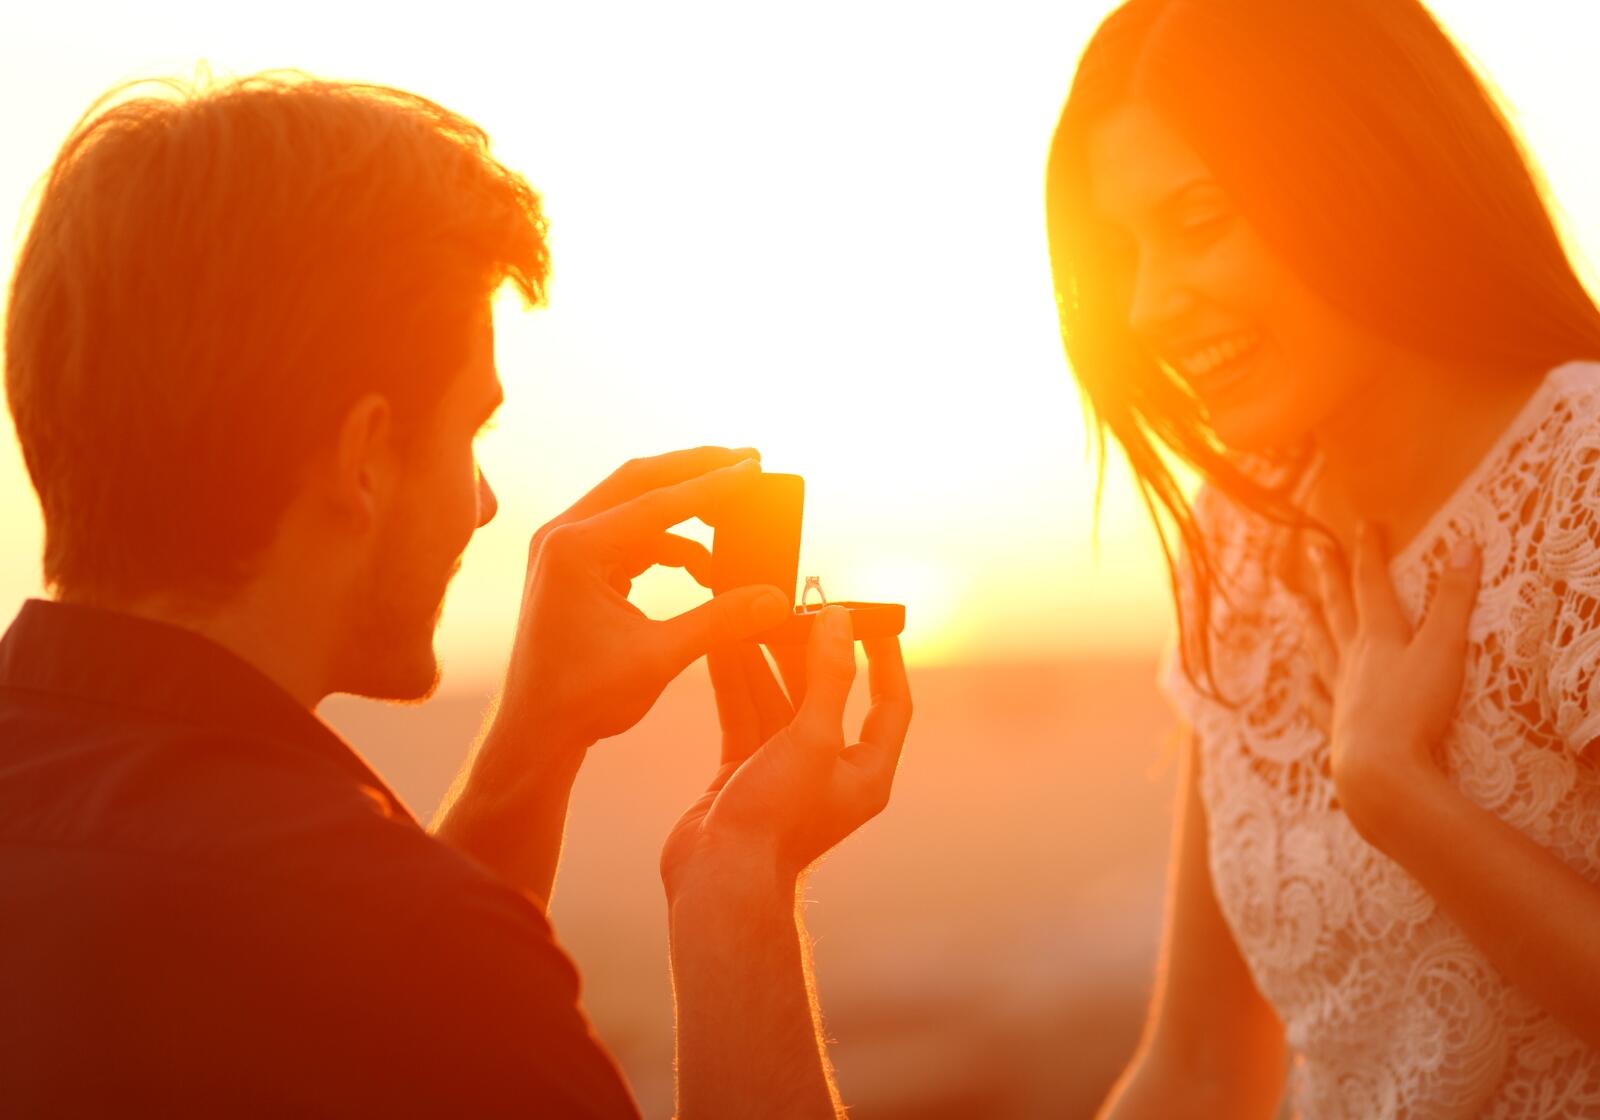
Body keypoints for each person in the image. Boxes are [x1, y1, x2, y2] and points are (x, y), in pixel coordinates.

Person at [0, 75, 911, 1118]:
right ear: (365, 459)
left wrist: (536, 742)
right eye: (470, 430)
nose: (482, 504)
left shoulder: (378, 949)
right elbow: (394, 990)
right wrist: (737, 884)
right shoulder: (413, 955)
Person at [1044, 1, 1600, 1116]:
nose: (1148, 304)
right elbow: (1198, 1065)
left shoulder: (1578, 488)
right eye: (1120, 254)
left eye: (1198, 221)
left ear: (1362, 175)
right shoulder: (1238, 537)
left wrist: (1400, 795)